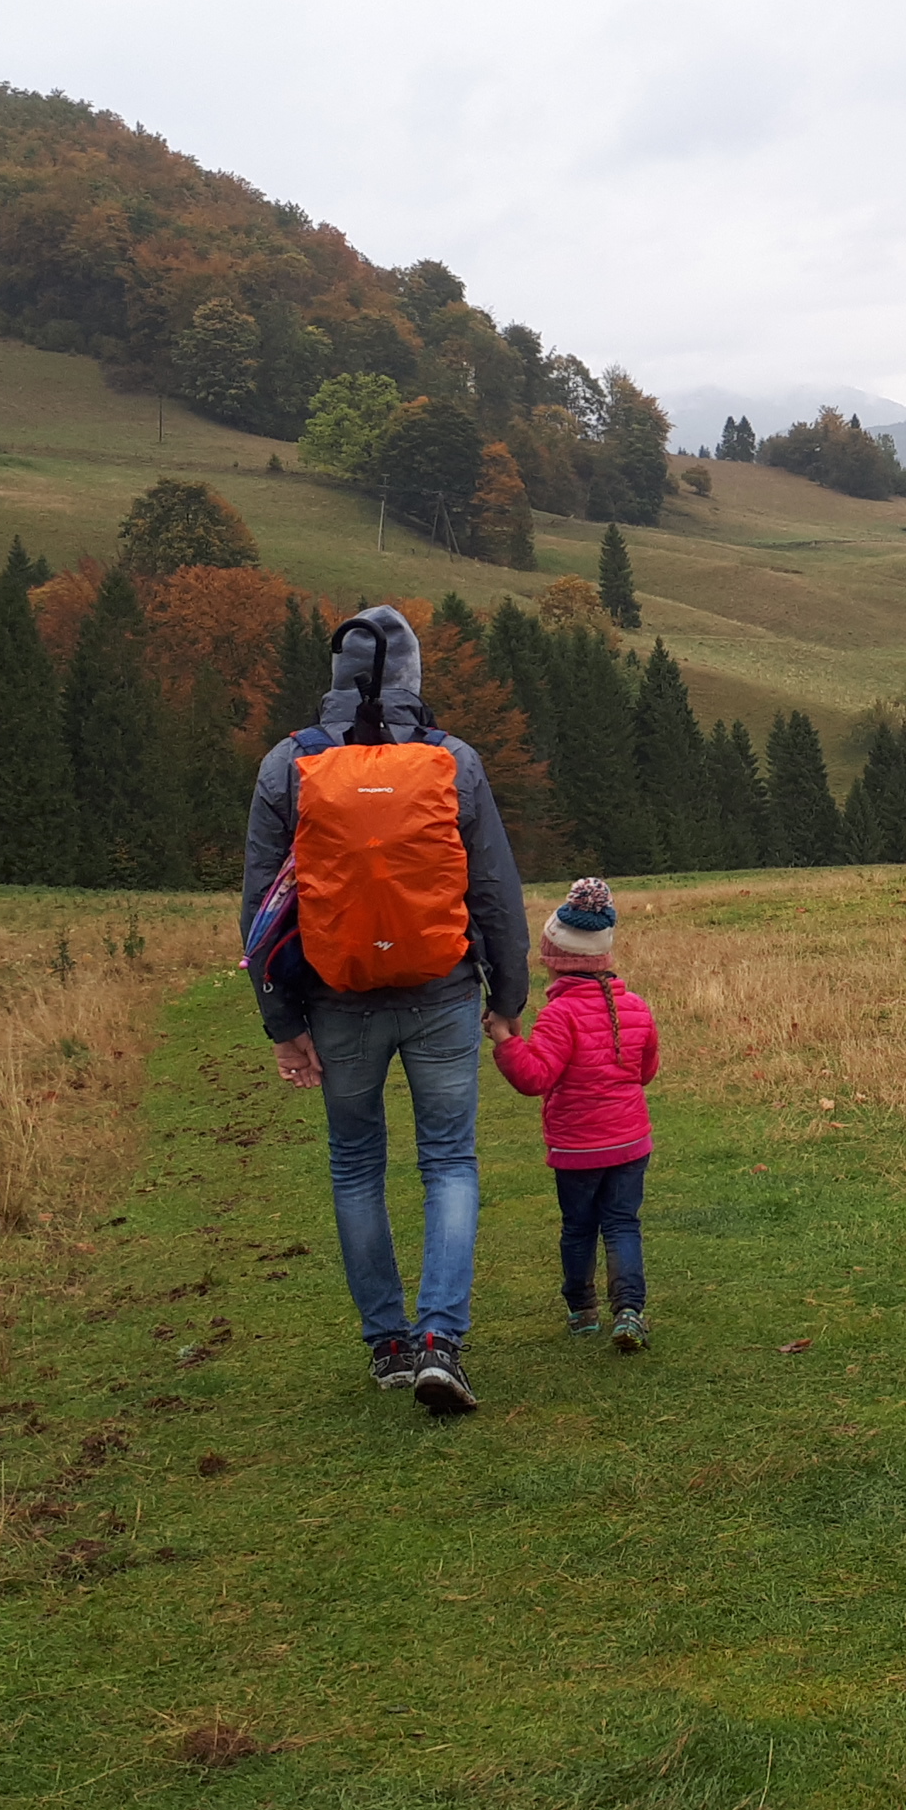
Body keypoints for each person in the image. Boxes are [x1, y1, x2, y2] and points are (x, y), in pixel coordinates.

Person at [241, 606, 529, 1414]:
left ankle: (389, 1346)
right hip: (441, 993)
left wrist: (283, 1023)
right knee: (449, 1161)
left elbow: (262, 907)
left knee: (356, 1164)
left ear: (335, 678)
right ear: (414, 677)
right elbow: (495, 892)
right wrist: (506, 996)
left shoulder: (287, 764)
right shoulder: (453, 761)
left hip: (337, 1001)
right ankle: (442, 1339)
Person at [488, 879, 661, 1352]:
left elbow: (535, 1078)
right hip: (629, 1143)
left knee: (579, 1226)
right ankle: (630, 1311)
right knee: (623, 1223)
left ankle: (582, 1309)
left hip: (577, 1149)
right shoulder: (636, 1008)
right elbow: (646, 1072)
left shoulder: (559, 1015)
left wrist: (506, 1042)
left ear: (553, 957)